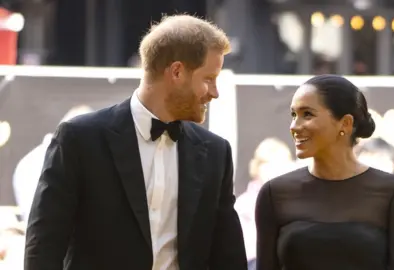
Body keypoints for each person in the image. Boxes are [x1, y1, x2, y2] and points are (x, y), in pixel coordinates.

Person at [25, 15, 247, 270]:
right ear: (177, 72)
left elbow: (228, 255)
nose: (215, 92)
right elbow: (43, 245)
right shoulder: (80, 138)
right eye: (209, 78)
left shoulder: (216, 153)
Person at [255, 74, 394, 270]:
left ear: (345, 123)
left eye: (307, 114)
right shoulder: (275, 193)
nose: (295, 127)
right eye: (293, 115)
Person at [235, 138, 296, 270]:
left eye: (281, 165)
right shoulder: (245, 204)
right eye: (270, 164)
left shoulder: (294, 201)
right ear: (258, 168)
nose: (276, 171)